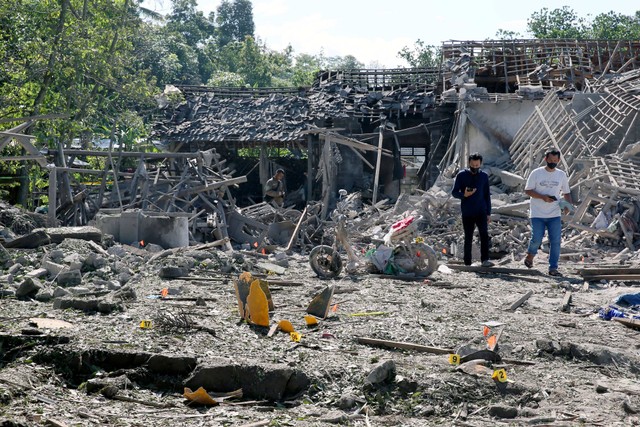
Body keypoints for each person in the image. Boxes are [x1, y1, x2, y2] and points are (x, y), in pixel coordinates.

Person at [523, 148, 572, 276]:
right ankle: (530, 255)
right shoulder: (536, 173)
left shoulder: (561, 175)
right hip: (537, 213)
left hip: (554, 213)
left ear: (559, 160)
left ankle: (553, 267)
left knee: (555, 241)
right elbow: (528, 190)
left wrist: (568, 205)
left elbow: (566, 192)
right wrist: (543, 197)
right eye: (550, 160)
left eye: (555, 160)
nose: (553, 162)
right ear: (546, 159)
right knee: (536, 239)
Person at [452, 153, 493, 267]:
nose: (475, 167)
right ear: (469, 163)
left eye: (477, 165)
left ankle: (485, 260)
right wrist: (464, 194)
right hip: (467, 211)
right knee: (468, 236)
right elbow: (454, 192)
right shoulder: (461, 175)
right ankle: (467, 263)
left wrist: (488, 212)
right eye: (472, 164)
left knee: (484, 235)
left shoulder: (484, 176)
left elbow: (487, 195)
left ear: (480, 164)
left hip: (481, 211)